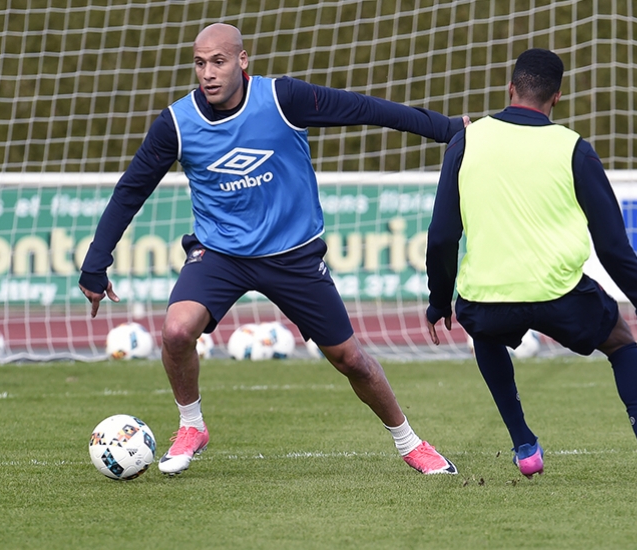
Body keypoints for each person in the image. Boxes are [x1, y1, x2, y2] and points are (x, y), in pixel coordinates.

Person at [79, 23, 464, 476]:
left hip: (293, 256)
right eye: (200, 64)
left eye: (218, 62)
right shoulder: (177, 124)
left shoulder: (283, 99)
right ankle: (191, 425)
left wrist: (445, 129)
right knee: (177, 331)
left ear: (242, 61)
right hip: (220, 254)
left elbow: (365, 108)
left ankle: (409, 442)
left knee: (350, 359)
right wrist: (95, 263)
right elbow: (131, 190)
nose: (208, 73)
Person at [424, 48, 637, 486]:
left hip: (488, 295)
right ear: (557, 97)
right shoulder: (574, 149)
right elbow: (613, 245)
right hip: (559, 292)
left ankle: (524, 445)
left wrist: (438, 300)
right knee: (622, 343)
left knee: (482, 331)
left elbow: (442, 235)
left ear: (510, 88)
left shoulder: (466, 140)